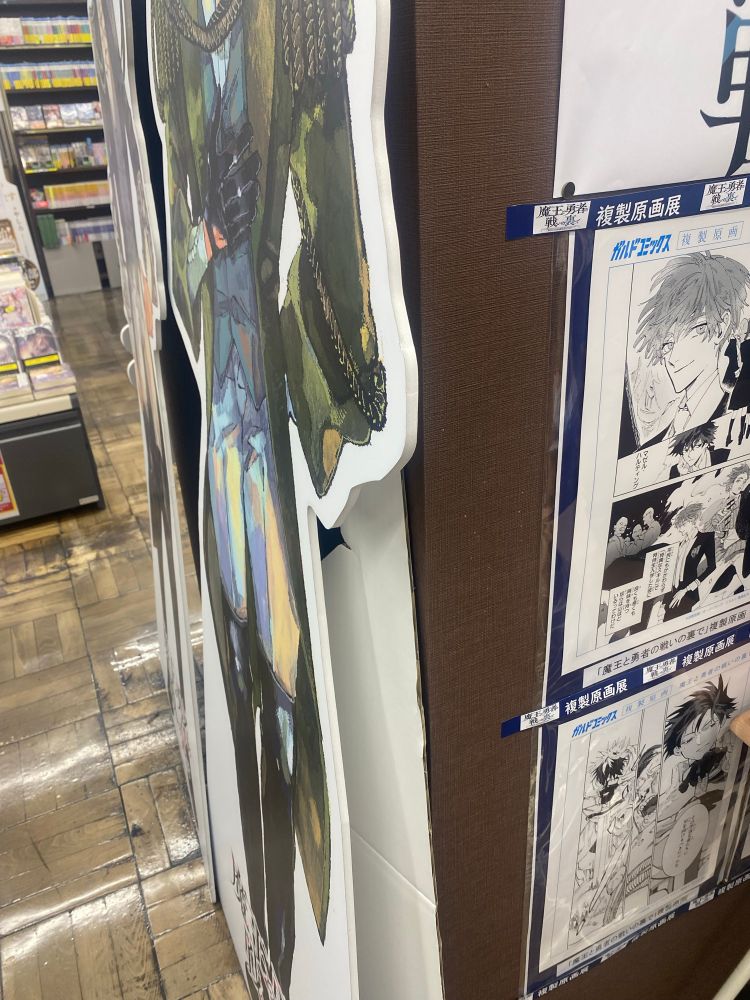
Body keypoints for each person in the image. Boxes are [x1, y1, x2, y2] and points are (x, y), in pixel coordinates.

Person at [151, 3, 389, 996]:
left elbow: (331, 205)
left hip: (266, 407)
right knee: (254, 670)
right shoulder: (179, 27)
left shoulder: (299, 18)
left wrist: (348, 381)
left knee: (285, 685)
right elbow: (187, 227)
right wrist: (209, 246)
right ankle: (271, 943)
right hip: (227, 406)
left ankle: (292, 942)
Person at [631, 252, 750, 447]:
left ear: (720, 328)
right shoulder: (655, 441)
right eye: (667, 345)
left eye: (688, 334)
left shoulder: (737, 424)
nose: (671, 359)